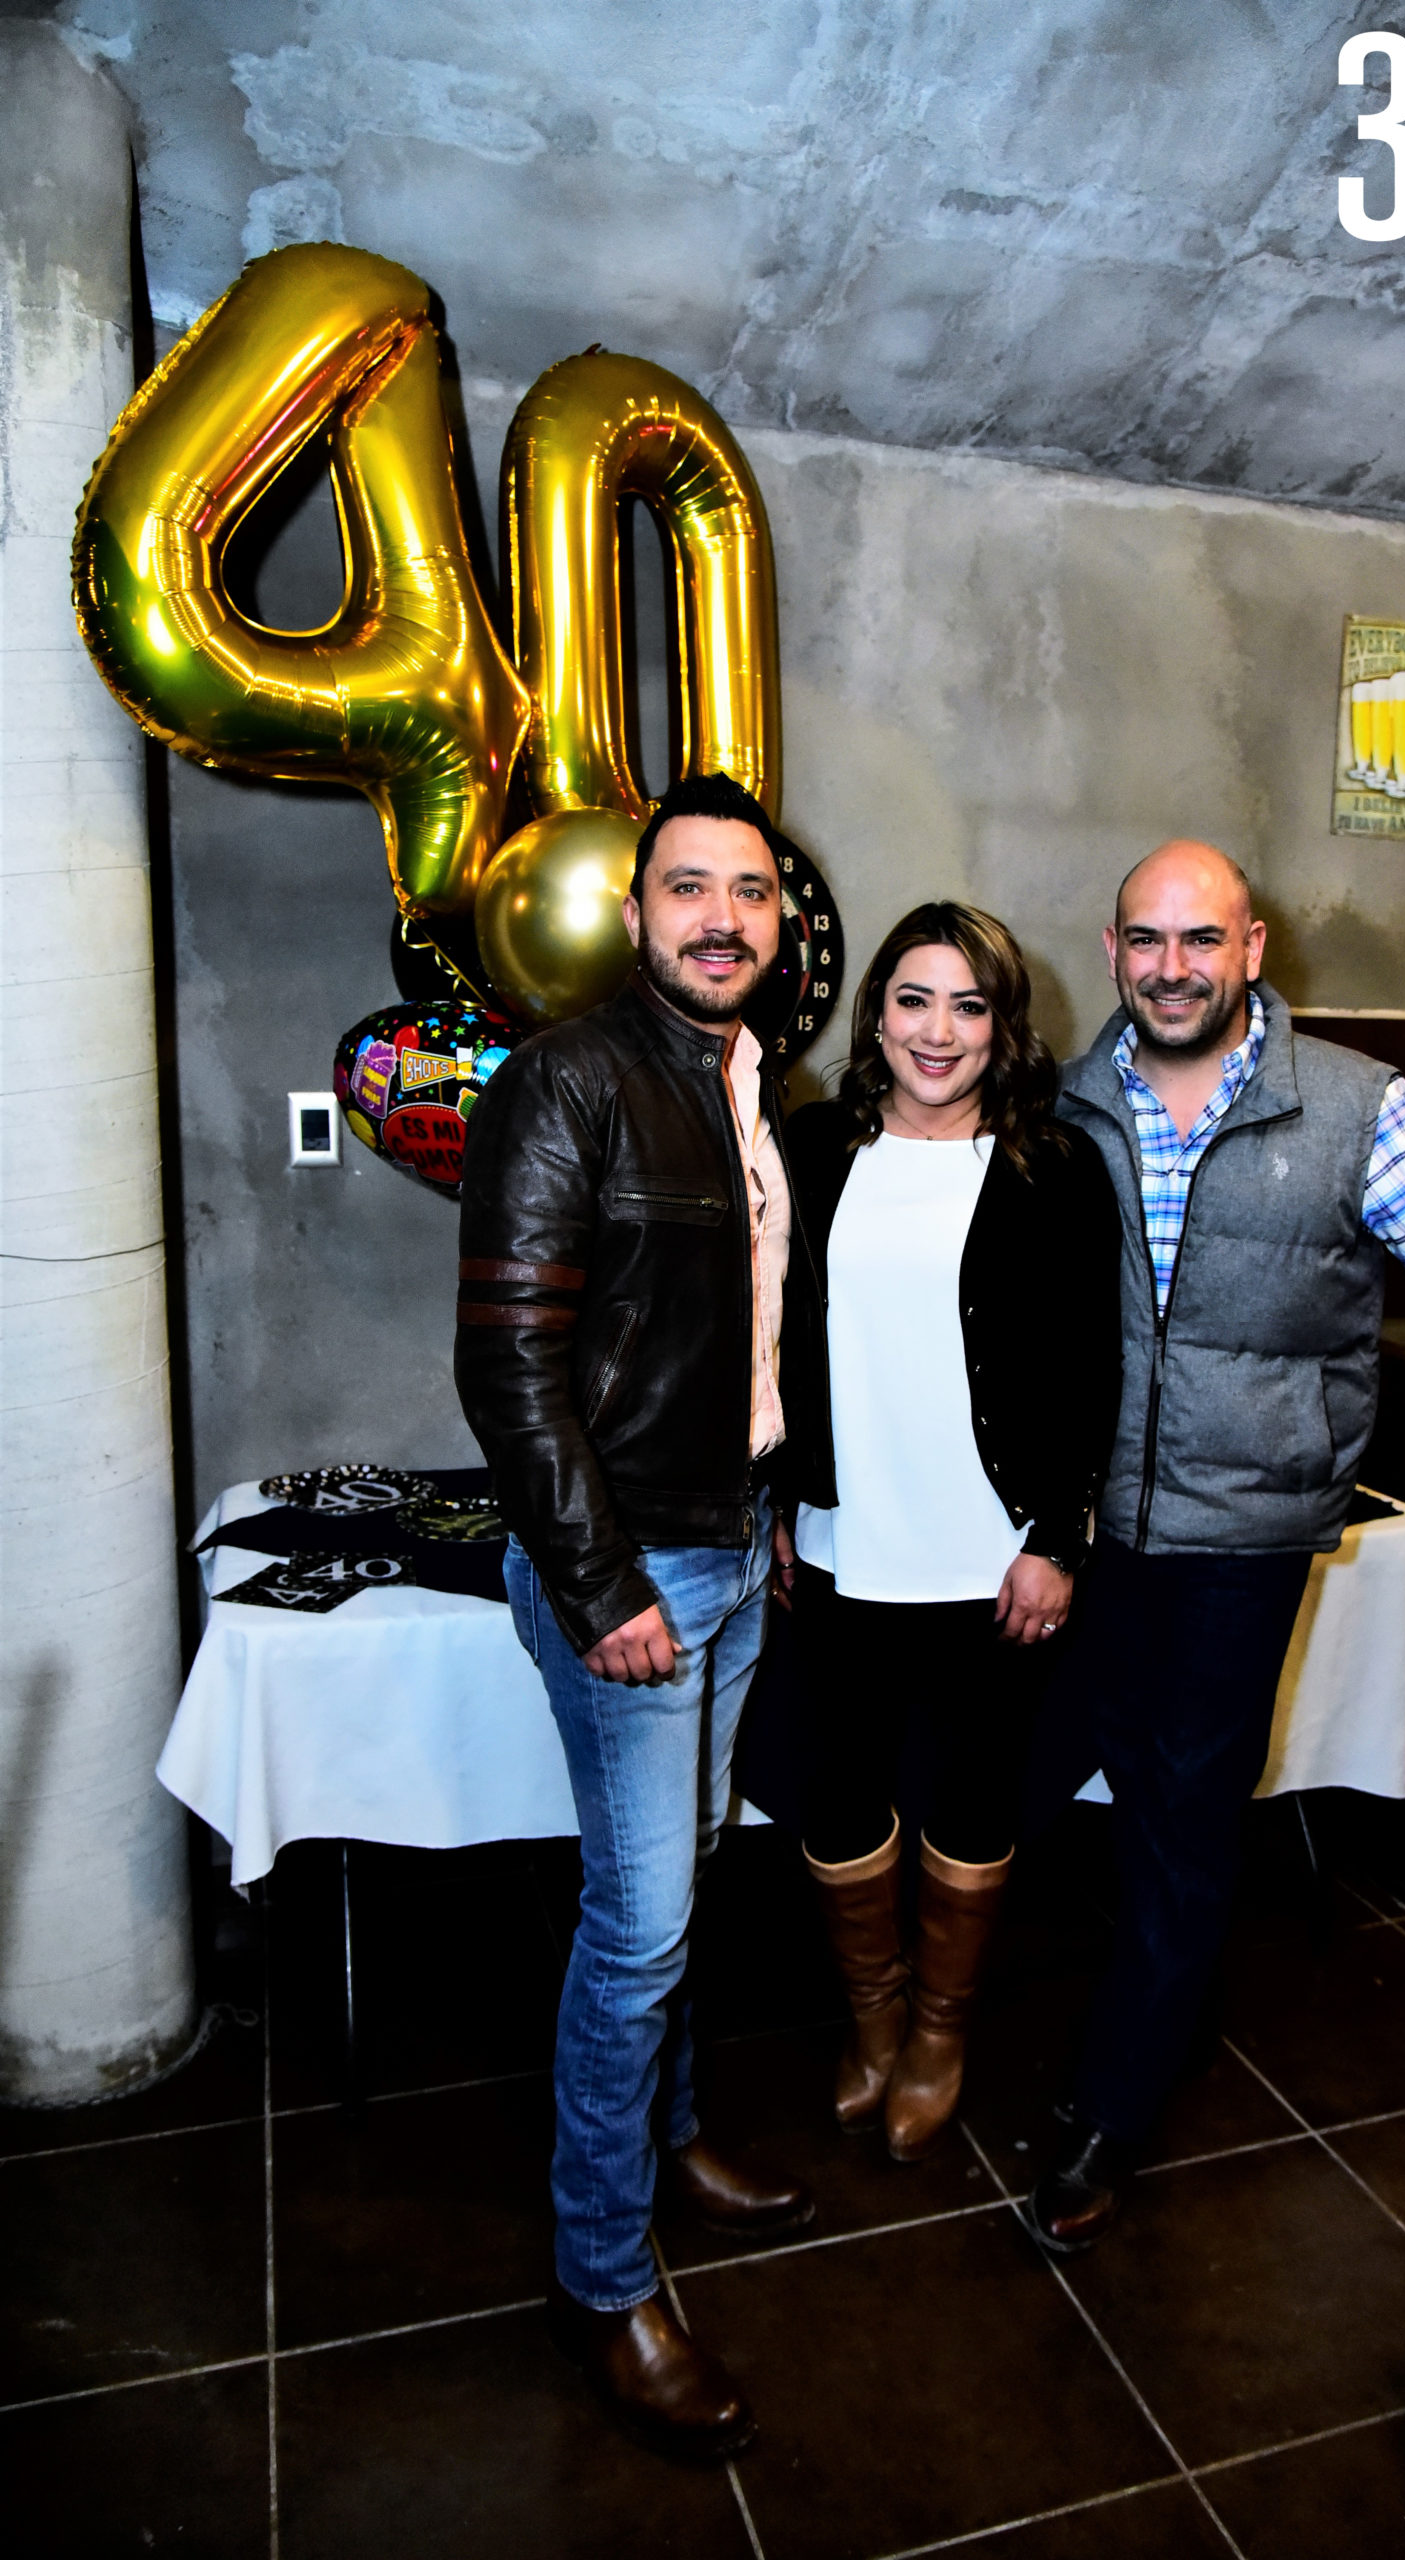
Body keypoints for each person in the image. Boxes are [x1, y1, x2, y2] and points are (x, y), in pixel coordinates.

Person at [1024, 838, 1405, 2254]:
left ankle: (1114, 2101)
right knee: (1023, 1775)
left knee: (1182, 1808)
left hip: (1245, 1533)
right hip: (1082, 1526)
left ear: (1253, 948)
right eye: (1145, 940)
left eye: (1199, 940)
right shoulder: (1062, 1102)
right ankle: (1027, 2025)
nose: (1171, 967)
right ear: (1111, 953)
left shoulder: (1351, 1104)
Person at [455, 770, 814, 2462]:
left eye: (750, 892)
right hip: (631, 1573)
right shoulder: (568, 1074)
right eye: (690, 889)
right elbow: (506, 1363)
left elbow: (737, 1346)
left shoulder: (752, 1088)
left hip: (730, 1548)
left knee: (692, 1873)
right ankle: (598, 2279)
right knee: (642, 1927)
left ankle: (669, 2135)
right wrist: (599, 1589)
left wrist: (772, 1521)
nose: (723, 918)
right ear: (634, 912)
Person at [773, 903, 1122, 2159]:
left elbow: (1093, 1368)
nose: (937, 1030)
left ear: (1002, 1026)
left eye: (967, 1005)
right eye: (913, 1000)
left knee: (973, 1801)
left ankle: (939, 2032)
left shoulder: (1051, 1167)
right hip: (841, 1534)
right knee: (832, 1792)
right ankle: (871, 2020)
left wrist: (1059, 1537)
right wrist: (775, 1499)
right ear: (874, 1014)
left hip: (988, 1549)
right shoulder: (812, 1148)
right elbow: (772, 1341)